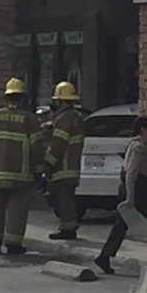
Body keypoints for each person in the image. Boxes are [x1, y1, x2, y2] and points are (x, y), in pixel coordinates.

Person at [94, 116, 147, 275]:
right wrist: (130, 197)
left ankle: (105, 256)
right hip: (135, 190)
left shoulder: (144, 146)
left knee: (121, 225)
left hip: (139, 188)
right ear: (143, 130)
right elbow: (131, 174)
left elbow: (146, 177)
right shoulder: (138, 147)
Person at [0, 78, 45, 255]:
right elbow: (37, 148)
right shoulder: (30, 120)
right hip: (22, 177)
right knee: (17, 209)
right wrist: (39, 172)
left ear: (6, 97)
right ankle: (13, 243)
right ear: (23, 98)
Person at [44, 81, 85, 240]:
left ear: (60, 101)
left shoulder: (65, 119)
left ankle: (68, 228)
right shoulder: (74, 117)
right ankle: (68, 226)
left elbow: (58, 145)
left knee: (62, 199)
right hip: (71, 167)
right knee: (64, 198)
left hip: (63, 167)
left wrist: (49, 163)